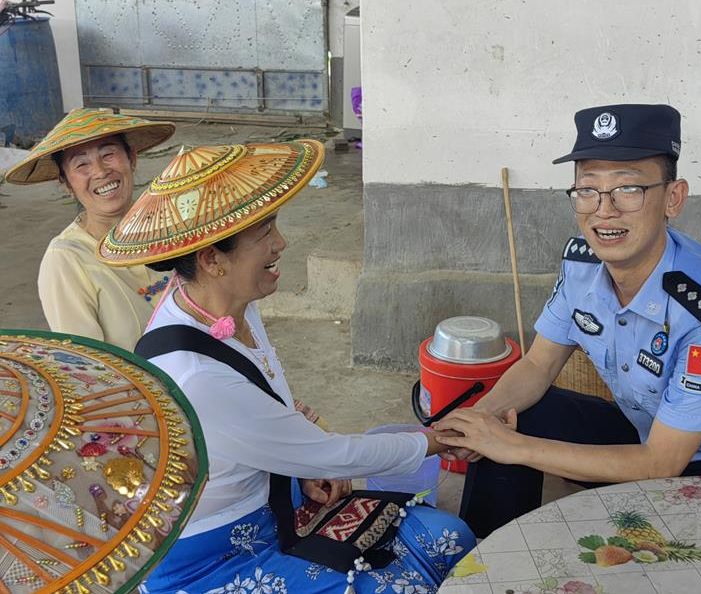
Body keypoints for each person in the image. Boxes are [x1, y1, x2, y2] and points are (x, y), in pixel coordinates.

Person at [97, 140, 474, 593]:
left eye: (274, 224)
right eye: (264, 234)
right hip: (216, 558)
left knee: (450, 539)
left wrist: (300, 470)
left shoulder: (230, 304)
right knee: (401, 587)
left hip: (277, 505)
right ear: (212, 259)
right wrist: (433, 441)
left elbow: (277, 422)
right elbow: (332, 454)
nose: (281, 243)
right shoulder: (195, 374)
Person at [434, 104, 701, 537]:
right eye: (588, 189)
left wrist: (515, 447)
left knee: (648, 547)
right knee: (517, 413)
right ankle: (476, 555)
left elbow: (662, 463)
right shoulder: (582, 265)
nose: (604, 211)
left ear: (673, 198)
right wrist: (479, 421)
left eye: (628, 189)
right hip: (651, 432)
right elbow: (536, 366)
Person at [4, 108, 176, 352]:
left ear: (132, 158)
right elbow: (91, 365)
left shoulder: (170, 226)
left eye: (108, 154)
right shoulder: (66, 260)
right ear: (66, 183)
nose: (100, 171)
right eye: (81, 164)